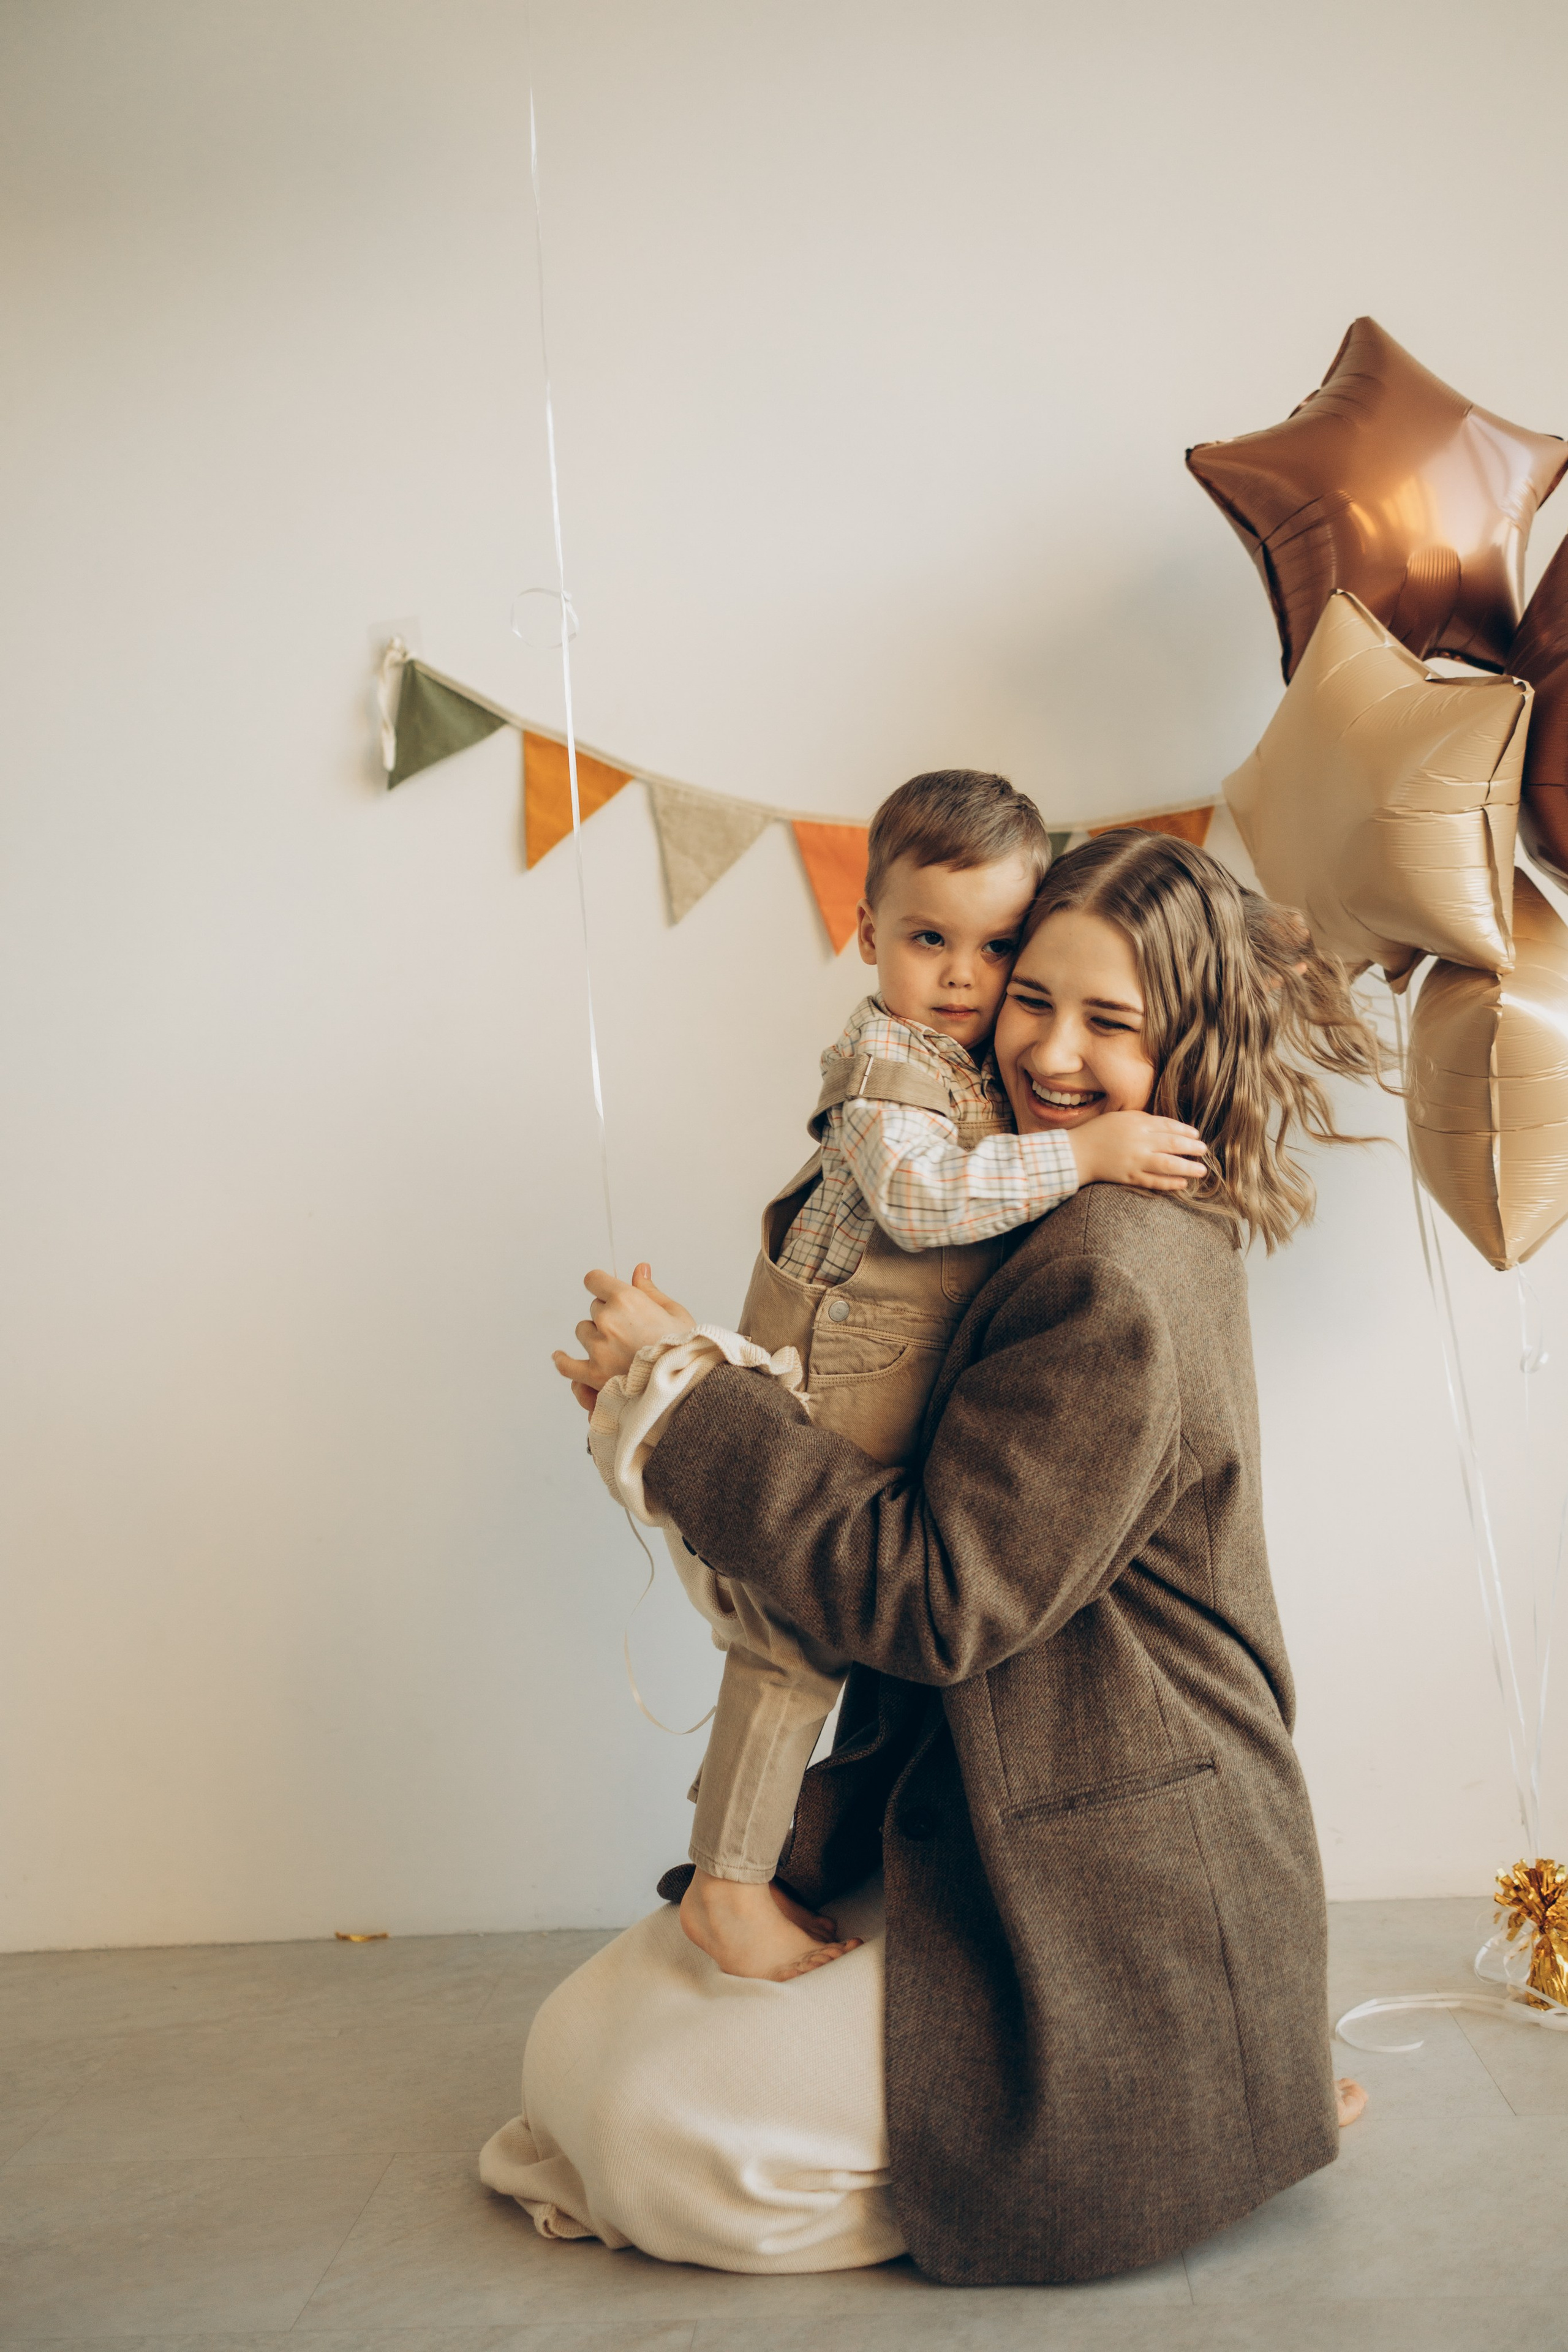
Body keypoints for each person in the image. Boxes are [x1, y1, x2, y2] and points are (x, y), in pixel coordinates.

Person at [495, 829, 1374, 2285]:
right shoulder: (1013, 1192)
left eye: (1113, 1024)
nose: (1052, 1053)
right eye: (1033, 997)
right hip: (982, 1802)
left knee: (645, 2126)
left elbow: (929, 1598)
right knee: (572, 2053)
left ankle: (1188, 2124)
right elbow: (862, 1435)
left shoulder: (1113, 1268)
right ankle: (1220, 2102)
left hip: (1123, 1859)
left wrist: (693, 1404)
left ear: (1193, 1042)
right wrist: (682, 1397)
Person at [556, 771, 1205, 1983]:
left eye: (994, 944)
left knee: (796, 1645)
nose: (962, 976)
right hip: (842, 1378)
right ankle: (726, 1888)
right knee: (794, 1640)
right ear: (864, 938)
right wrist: (1087, 1150)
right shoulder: (880, 1070)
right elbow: (924, 1199)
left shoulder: (966, 1070)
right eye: (926, 940)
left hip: (889, 1385)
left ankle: (745, 1855)